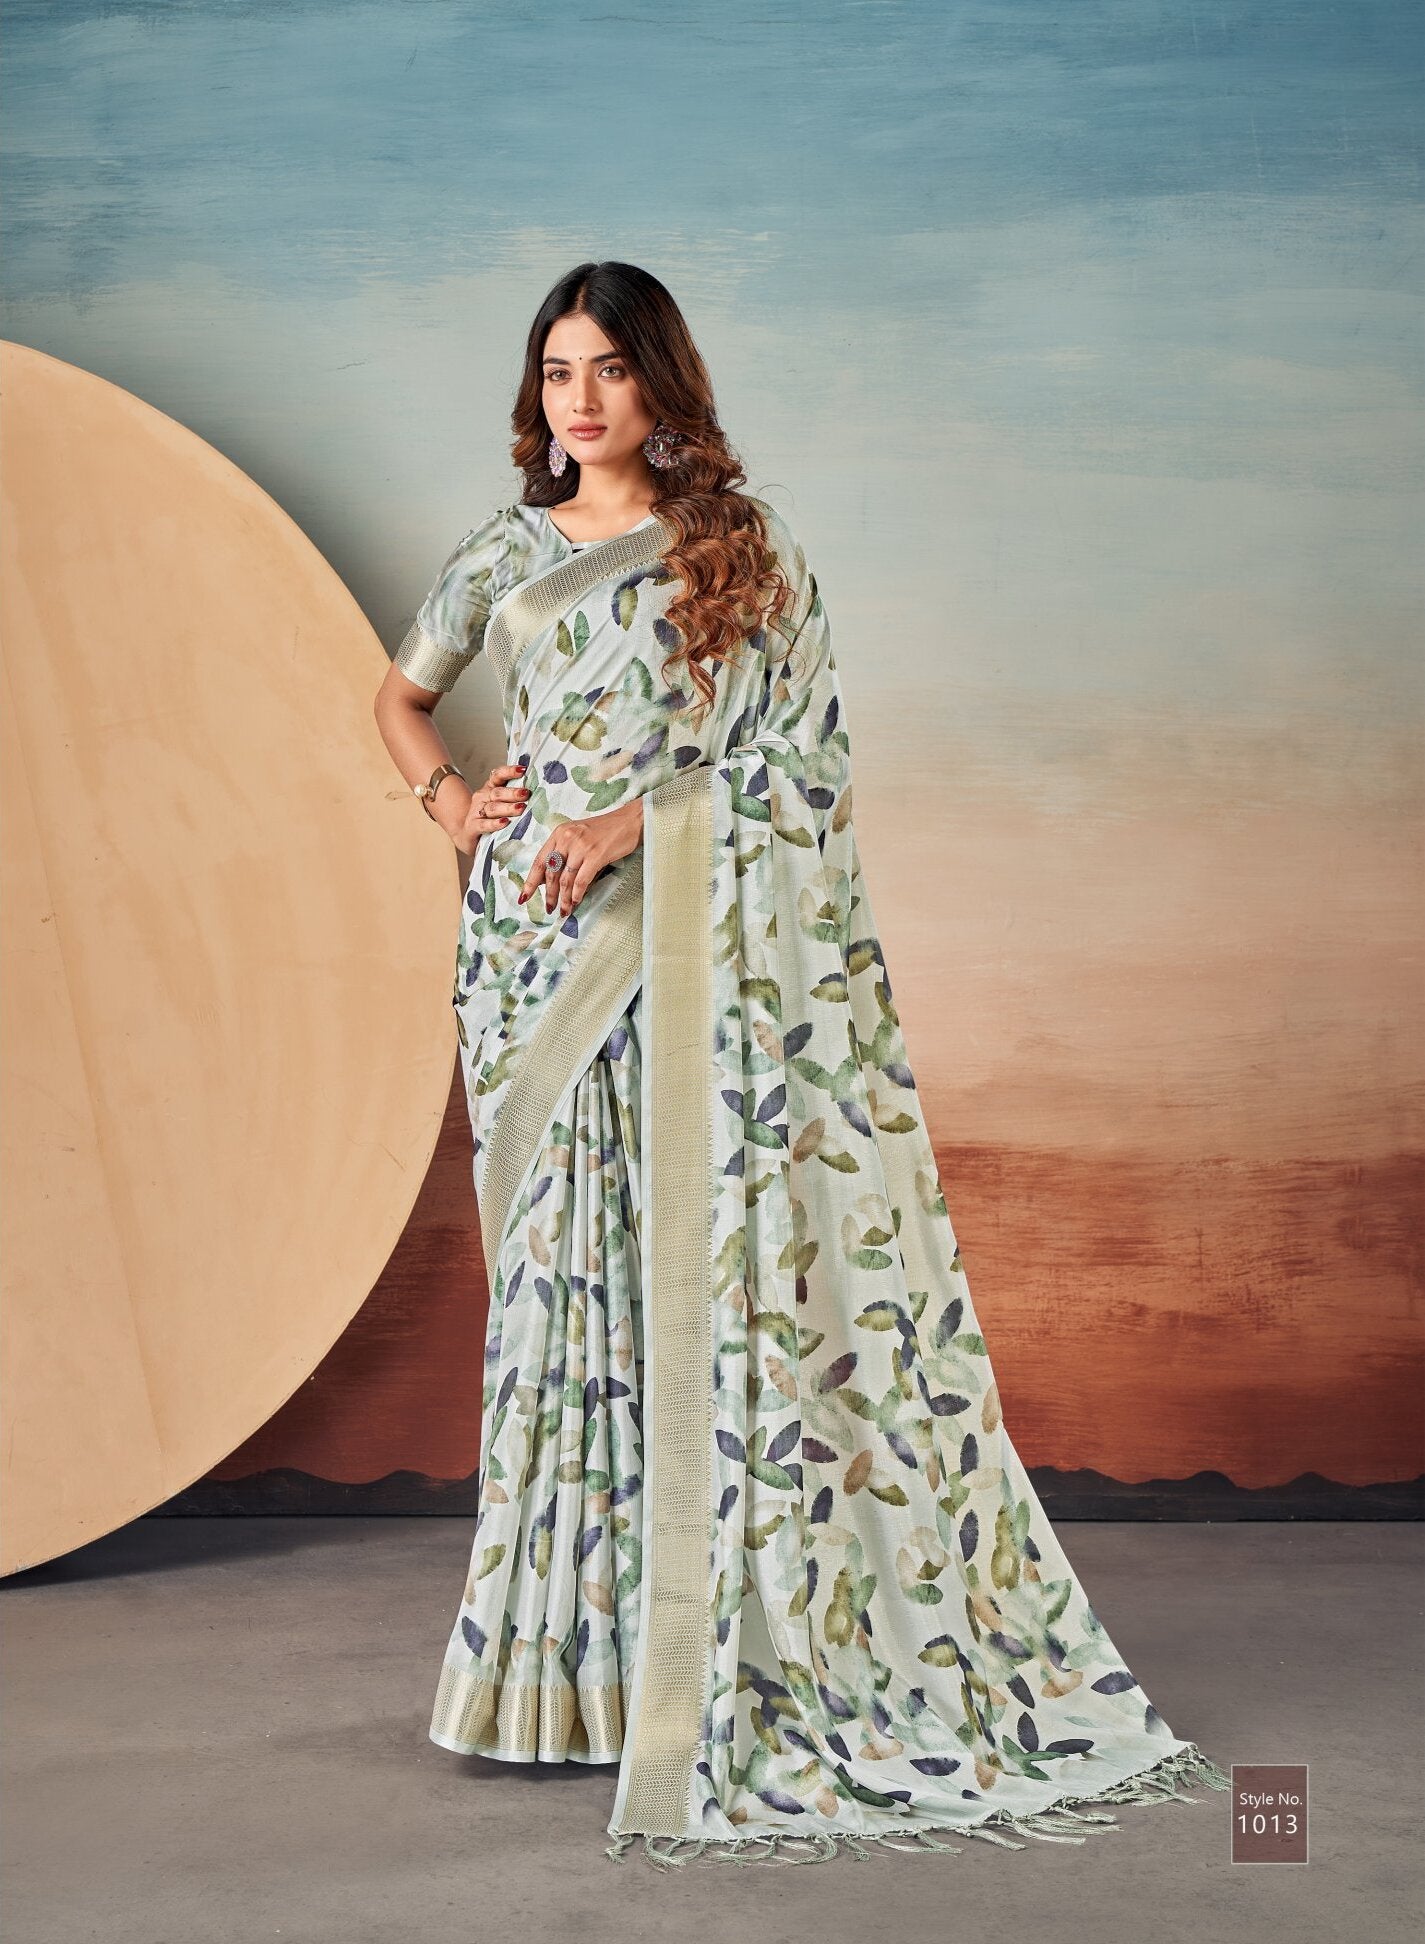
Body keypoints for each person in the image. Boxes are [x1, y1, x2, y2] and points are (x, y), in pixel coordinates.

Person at [372, 260, 1229, 1869]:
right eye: (555, 371)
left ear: (659, 381)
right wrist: (448, 805)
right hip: (532, 965)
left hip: (687, 953)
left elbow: (804, 764)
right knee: (561, 1298)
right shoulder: (500, 551)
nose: (579, 399)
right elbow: (398, 698)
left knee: (695, 1283)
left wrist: (638, 821)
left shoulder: (738, 549)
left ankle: (710, 1661)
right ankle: (558, 1681)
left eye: (608, 368)